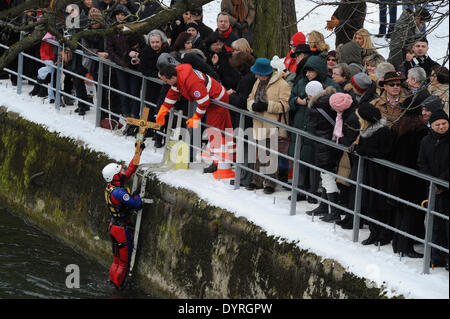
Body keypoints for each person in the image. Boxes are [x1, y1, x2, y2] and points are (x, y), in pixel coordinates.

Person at [155, 62, 232, 174]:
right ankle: (227, 158)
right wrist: (163, 110)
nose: (164, 83)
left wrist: (196, 117)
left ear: (172, 77)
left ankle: (218, 163)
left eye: (166, 81)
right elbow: (173, 92)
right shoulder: (179, 76)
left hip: (217, 101)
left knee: (214, 132)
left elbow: (203, 102)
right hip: (212, 99)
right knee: (223, 130)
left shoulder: (192, 82)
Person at [347, 103, 392, 243]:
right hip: (368, 171)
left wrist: (364, 151)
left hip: (378, 173)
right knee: (369, 202)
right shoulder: (365, 131)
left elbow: (385, 153)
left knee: (378, 203)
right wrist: (356, 146)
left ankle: (382, 235)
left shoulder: (383, 131)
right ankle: (374, 233)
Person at [245, 58, 291, 195]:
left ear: (265, 73)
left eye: (258, 73)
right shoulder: (258, 82)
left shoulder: (282, 84)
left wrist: (267, 106)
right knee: (260, 155)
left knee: (272, 156)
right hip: (259, 123)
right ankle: (256, 180)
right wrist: (252, 105)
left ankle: (271, 183)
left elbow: (286, 105)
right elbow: (250, 98)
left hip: (274, 125)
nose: (255, 76)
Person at [102, 151, 144, 289]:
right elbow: (137, 204)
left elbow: (131, 168)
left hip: (114, 227)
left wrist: (139, 150)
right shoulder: (119, 192)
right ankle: (117, 290)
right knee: (123, 263)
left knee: (116, 261)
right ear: (114, 176)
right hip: (121, 229)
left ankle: (112, 283)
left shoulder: (111, 187)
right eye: (119, 172)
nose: (122, 173)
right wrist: (136, 196)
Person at [417, 110, 449, 269]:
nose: (441, 127)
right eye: (438, 124)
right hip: (433, 189)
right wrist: (432, 182)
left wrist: (440, 183)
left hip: (445, 188)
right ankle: (436, 257)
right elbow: (422, 163)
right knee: (434, 224)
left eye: (444, 124)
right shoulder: (426, 141)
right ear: (432, 125)